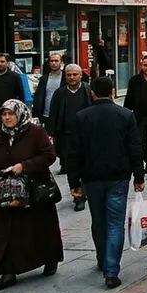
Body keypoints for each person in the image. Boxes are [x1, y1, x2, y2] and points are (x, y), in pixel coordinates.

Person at [68, 76, 144, 289]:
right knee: (114, 223)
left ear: (92, 93)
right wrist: (139, 176)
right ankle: (112, 270)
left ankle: (103, 259)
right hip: (118, 176)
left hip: (91, 177)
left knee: (98, 220)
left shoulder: (81, 117)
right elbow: (135, 149)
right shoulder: (125, 116)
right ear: (112, 92)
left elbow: (73, 152)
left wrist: (74, 182)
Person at [0, 99, 63, 291]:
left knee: (40, 229)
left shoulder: (36, 133)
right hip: (7, 194)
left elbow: (49, 155)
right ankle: (8, 271)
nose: (7, 118)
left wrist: (24, 166)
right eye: (4, 114)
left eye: (11, 114)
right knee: (6, 230)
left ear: (20, 114)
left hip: (35, 193)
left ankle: (49, 258)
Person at [48, 64, 93, 208]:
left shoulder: (88, 90)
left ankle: (85, 192)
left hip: (86, 135)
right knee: (71, 168)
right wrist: (51, 132)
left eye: (75, 74)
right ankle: (77, 195)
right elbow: (53, 114)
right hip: (66, 136)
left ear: (80, 75)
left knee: (86, 165)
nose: (72, 77)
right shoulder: (60, 93)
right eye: (69, 75)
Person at [31, 53, 64, 128]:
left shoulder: (65, 78)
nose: (54, 63)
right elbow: (39, 97)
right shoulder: (44, 79)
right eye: (51, 61)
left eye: (56, 61)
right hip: (46, 115)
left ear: (61, 63)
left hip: (61, 116)